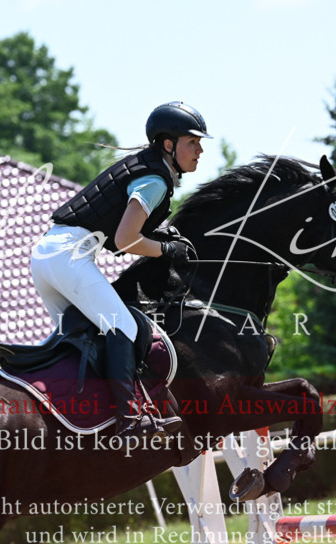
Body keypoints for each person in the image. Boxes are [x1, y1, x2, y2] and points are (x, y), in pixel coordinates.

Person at [31, 101, 211, 441]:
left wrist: (160, 240)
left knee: (83, 339)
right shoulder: (155, 179)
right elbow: (126, 240)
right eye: (193, 142)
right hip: (68, 257)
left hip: (46, 256)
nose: (200, 150)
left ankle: (80, 416)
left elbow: (117, 240)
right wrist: (168, 249)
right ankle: (130, 419)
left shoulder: (145, 167)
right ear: (168, 144)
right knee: (123, 327)